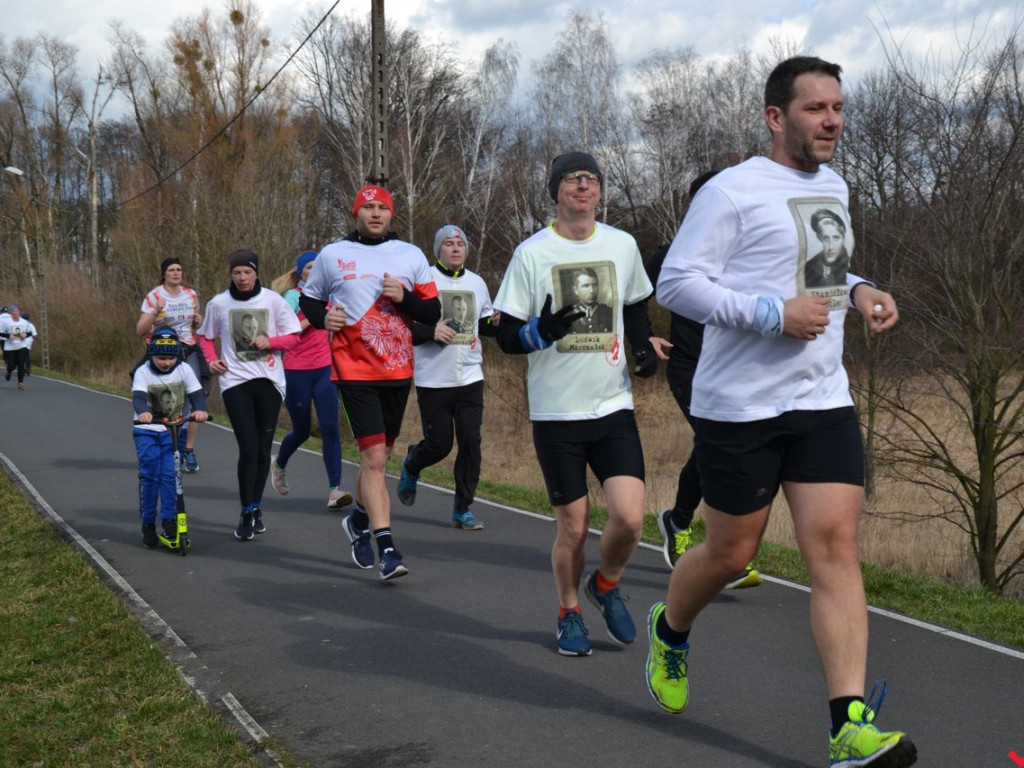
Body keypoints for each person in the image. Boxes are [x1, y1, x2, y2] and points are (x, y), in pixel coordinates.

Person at [648, 57, 916, 768]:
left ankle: (848, 727)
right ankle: (671, 630)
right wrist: (770, 314)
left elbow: (818, 266)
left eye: (838, 107)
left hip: (822, 397)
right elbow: (676, 282)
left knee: (834, 548)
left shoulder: (835, 185)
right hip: (741, 407)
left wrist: (858, 290)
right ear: (776, 117)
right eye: (815, 109)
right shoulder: (731, 192)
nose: (832, 120)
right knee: (732, 552)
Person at [493, 151, 668, 657]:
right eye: (573, 178)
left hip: (612, 405)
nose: (583, 186)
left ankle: (606, 585)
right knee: (573, 526)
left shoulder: (622, 244)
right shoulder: (532, 254)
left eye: (591, 178)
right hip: (556, 413)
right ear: (556, 190)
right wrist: (539, 332)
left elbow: (634, 307)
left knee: (630, 519)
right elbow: (504, 336)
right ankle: (569, 610)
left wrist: (641, 348)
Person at [300, 185, 440, 580]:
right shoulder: (334, 254)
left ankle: (359, 519)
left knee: (381, 456)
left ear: (391, 214)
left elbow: (432, 310)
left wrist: (405, 299)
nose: (375, 214)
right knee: (375, 459)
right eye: (368, 208)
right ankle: (388, 549)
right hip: (353, 369)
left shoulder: (411, 255)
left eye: (382, 208)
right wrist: (322, 318)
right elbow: (310, 300)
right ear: (355, 213)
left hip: (397, 369)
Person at [645, 171, 763, 590]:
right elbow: (628, 293)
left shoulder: (748, 252)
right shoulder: (669, 255)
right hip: (690, 367)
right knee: (718, 443)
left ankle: (679, 521)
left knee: (731, 448)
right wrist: (643, 334)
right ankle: (719, 549)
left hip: (736, 370)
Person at [397, 224, 499, 530]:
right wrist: (432, 331)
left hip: (470, 375)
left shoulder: (478, 283)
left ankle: (462, 509)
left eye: (460, 244)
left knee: (471, 441)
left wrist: (501, 322)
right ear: (438, 250)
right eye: (449, 244)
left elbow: (485, 325)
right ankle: (413, 462)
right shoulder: (423, 280)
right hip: (433, 378)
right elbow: (404, 328)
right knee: (440, 445)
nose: (456, 248)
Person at [198, 250, 301, 541]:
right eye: (236, 273)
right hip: (235, 381)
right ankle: (245, 511)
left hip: (269, 381)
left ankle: (256, 507)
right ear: (231, 275)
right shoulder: (218, 303)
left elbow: (293, 337)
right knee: (248, 447)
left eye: (247, 272)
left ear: (256, 273)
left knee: (262, 449)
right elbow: (205, 336)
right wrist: (210, 360)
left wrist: (271, 341)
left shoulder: (273, 300)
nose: (242, 278)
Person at [269, 251, 354, 510]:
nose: (314, 271)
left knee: (330, 429)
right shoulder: (293, 297)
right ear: (300, 272)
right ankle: (279, 463)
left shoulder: (331, 296)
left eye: (318, 267)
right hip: (295, 371)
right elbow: (286, 331)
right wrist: (315, 317)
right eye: (309, 267)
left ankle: (334, 490)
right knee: (303, 430)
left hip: (324, 369)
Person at [131, 327, 209, 547]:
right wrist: (143, 412)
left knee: (170, 476)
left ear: (178, 356)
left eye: (170, 358)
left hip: (175, 430)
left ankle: (169, 520)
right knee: (150, 476)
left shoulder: (184, 369)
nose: (166, 362)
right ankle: (148, 524)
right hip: (147, 430)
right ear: (151, 355)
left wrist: (199, 410)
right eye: (161, 358)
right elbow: (138, 397)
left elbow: (196, 394)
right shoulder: (143, 371)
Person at [137, 258, 207, 472]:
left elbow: (197, 325)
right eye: (171, 270)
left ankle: (188, 449)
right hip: (162, 352)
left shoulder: (191, 294)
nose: (176, 273)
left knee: (195, 396)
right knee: (167, 399)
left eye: (179, 269)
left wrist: (198, 321)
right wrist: (155, 312)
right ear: (164, 274)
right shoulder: (155, 296)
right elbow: (140, 330)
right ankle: (167, 444)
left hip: (187, 348)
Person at [805, 207, 851, 287]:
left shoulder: (849, 266)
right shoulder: (809, 267)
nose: (830, 247)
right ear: (819, 238)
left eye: (836, 238)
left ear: (843, 237)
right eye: (826, 239)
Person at [568, 267, 614, 333]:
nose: (592, 291)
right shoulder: (569, 315)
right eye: (586, 286)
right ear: (576, 290)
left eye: (595, 285)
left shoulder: (609, 312)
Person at [1, 305, 36, 390]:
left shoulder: (24, 322)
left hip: (21, 346)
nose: (15, 313)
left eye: (17, 311)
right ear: (11, 313)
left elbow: (30, 333)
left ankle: (20, 383)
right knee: (12, 365)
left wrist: (25, 335)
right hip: (10, 347)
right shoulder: (6, 322)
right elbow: (0, 333)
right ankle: (9, 371)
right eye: (14, 311)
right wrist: (8, 335)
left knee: (21, 364)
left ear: (19, 312)